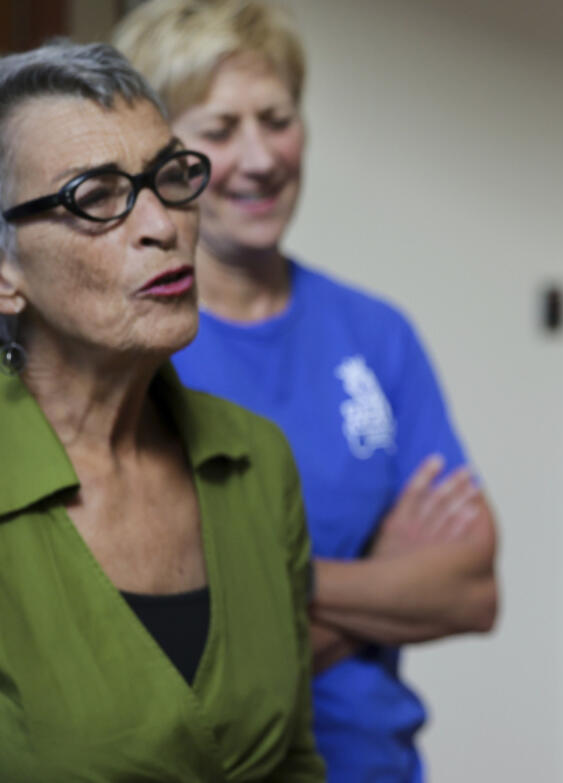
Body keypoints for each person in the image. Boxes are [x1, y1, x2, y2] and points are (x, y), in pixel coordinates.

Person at [113, 2, 499, 780]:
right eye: (219, 131)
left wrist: (272, 589)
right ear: (159, 157)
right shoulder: (134, 347)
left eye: (277, 118)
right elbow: (163, 659)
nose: (259, 158)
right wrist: (384, 575)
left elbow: (470, 587)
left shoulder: (375, 332)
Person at [0, 40, 323, 780]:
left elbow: (296, 757)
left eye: (168, 176)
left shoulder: (255, 459)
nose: (162, 223)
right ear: (6, 273)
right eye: (97, 195)